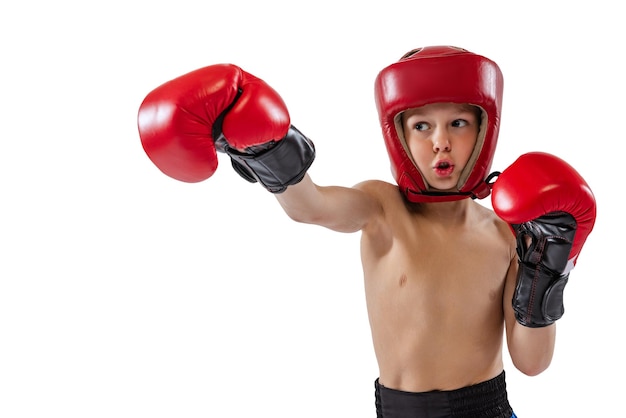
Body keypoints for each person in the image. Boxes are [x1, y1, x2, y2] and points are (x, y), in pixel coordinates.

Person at [137, 46, 597, 418]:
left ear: (483, 129)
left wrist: (550, 264)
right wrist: (266, 148)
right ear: (399, 134)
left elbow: (532, 363)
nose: (441, 141)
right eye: (422, 125)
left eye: (458, 122)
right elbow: (311, 206)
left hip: (486, 410)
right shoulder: (383, 207)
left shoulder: (505, 234)